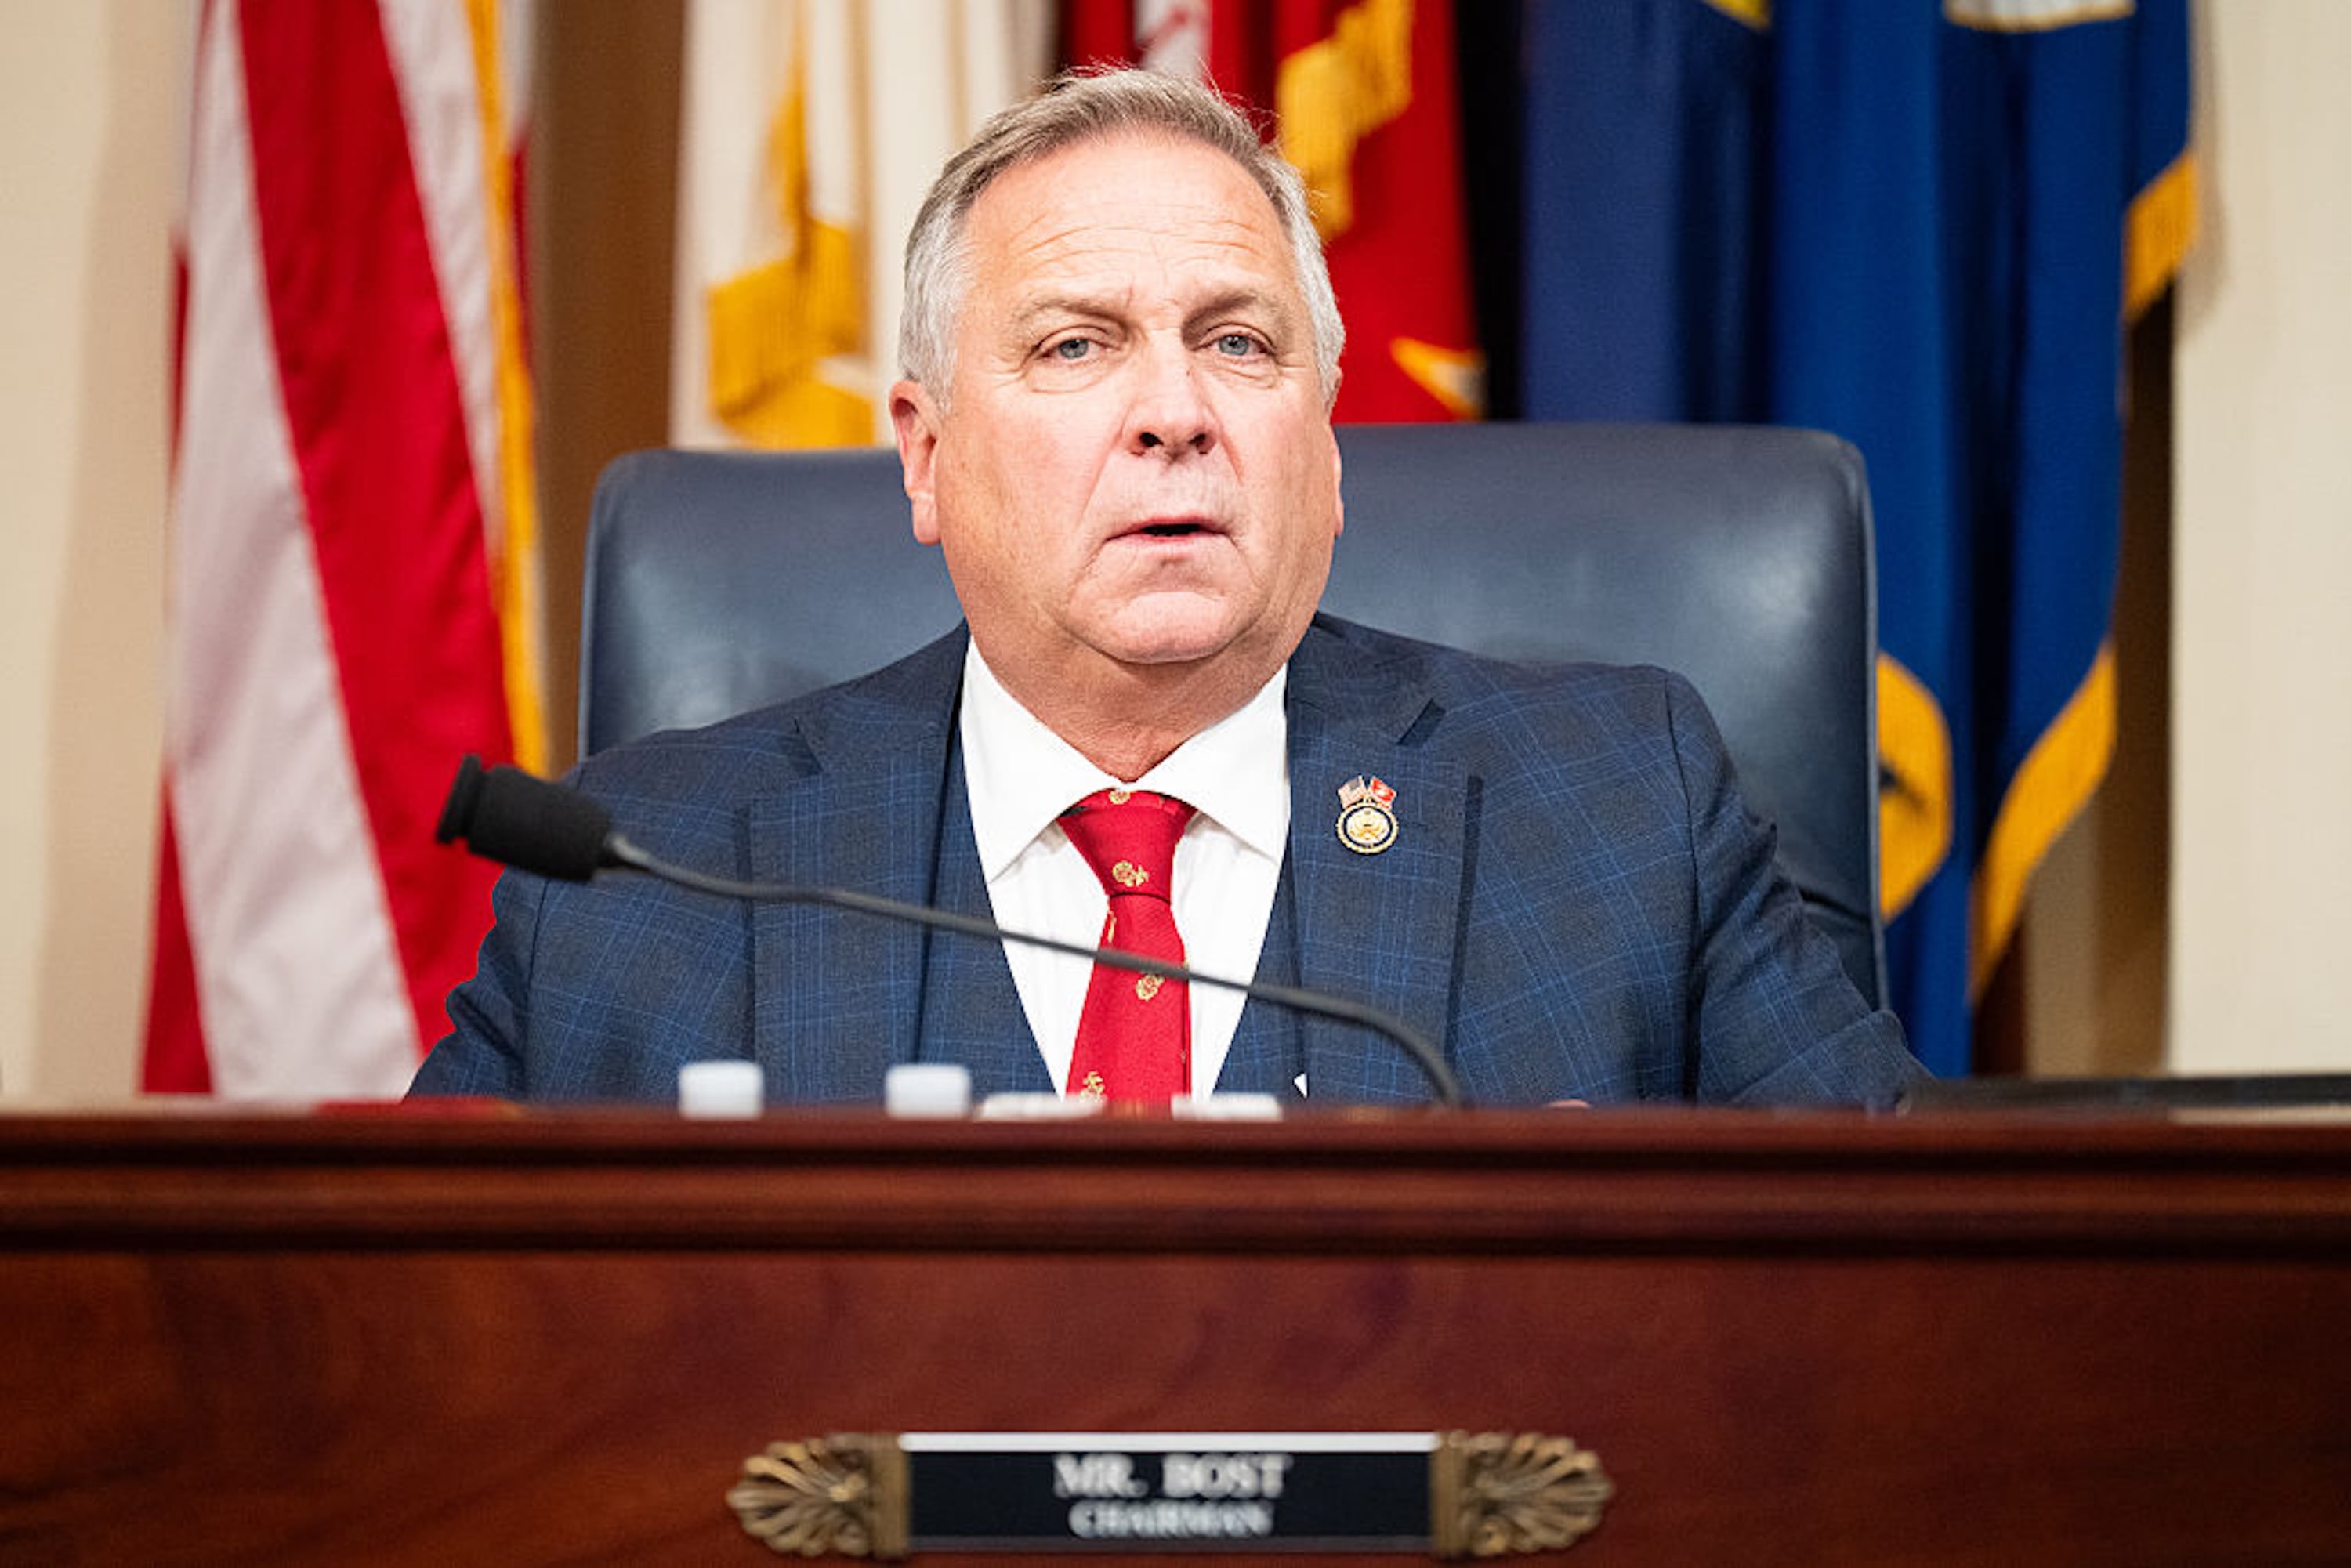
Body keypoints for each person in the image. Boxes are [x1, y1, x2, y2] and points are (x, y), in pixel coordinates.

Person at [411, 70, 1923, 1108]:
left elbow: (1916, 1290)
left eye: (1239, 343)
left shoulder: (1624, 814)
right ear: (926, 456)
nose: (1176, 412)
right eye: (1077, 345)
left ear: (1326, 454)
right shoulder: (643, 879)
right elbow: (402, 1341)